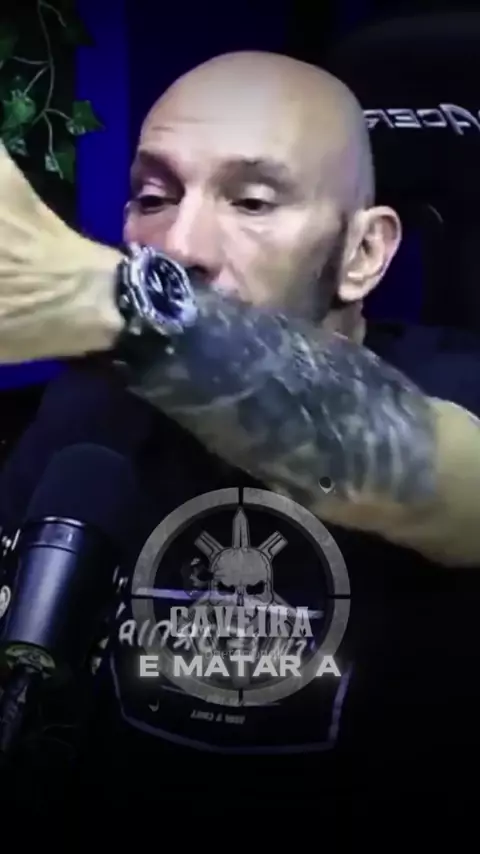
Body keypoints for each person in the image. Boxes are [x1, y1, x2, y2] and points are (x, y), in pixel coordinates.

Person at [0, 51, 479, 814]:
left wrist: (105, 302)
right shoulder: (87, 418)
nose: (180, 245)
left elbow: (439, 476)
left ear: (363, 253)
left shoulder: (457, 388)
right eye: (153, 197)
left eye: (252, 202)